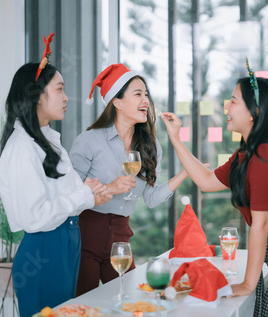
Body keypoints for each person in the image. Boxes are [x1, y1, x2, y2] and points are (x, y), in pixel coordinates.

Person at [160, 64, 268, 316]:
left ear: (254, 111)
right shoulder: (247, 153)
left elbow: (261, 225)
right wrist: (176, 139)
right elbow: (207, 181)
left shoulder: (265, 155)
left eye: (233, 102)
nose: (226, 108)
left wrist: (248, 284)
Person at [0, 34, 112, 317]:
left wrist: (89, 193)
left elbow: (62, 196)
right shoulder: (22, 148)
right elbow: (36, 217)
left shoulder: (47, 139)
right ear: (36, 95)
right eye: (59, 89)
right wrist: (84, 194)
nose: (66, 97)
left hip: (65, 243)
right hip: (44, 250)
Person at [69, 63, 188, 296]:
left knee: (129, 302)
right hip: (86, 236)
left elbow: (151, 199)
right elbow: (70, 192)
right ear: (117, 102)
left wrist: (185, 173)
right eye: (138, 94)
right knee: (85, 306)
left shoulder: (150, 145)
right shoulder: (89, 141)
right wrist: (110, 188)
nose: (145, 100)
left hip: (121, 238)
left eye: (146, 94)